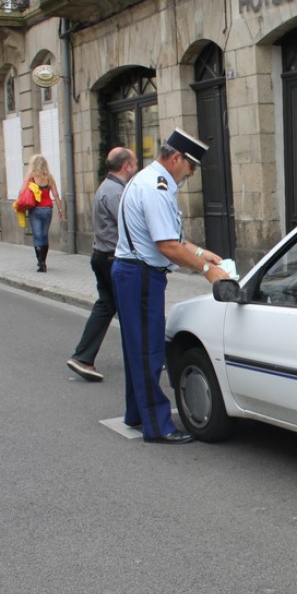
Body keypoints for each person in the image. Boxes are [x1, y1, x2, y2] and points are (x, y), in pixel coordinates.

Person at [112, 129, 230, 444]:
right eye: (191, 168)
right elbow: (167, 246)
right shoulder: (157, 186)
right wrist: (207, 270)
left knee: (136, 348)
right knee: (149, 351)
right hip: (141, 276)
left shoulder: (152, 180)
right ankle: (158, 426)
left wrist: (202, 252)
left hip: (133, 273)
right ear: (176, 158)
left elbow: (174, 239)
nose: (191, 175)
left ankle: (136, 414)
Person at [67, 146, 138, 382]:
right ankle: (148, 355)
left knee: (106, 306)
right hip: (112, 259)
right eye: (135, 162)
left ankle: (83, 357)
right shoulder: (116, 193)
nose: (136, 166)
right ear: (126, 166)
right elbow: (130, 226)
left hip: (102, 256)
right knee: (135, 307)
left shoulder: (106, 187)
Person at [18, 153, 64, 273]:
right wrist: (60, 209)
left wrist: (19, 203)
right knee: (44, 235)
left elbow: (22, 191)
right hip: (48, 209)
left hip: (35, 209)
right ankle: (43, 260)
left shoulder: (31, 176)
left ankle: (41, 263)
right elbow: (56, 194)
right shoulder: (49, 177)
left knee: (37, 235)